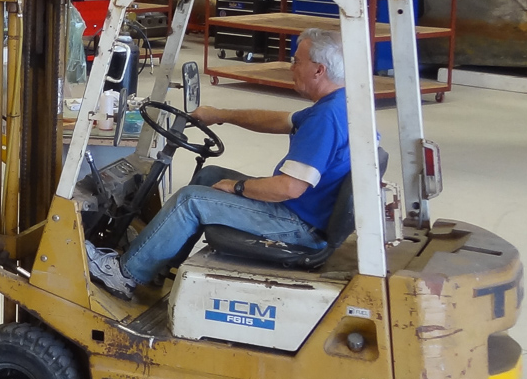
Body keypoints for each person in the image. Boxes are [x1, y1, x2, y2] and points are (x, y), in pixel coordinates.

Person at [85, 28, 352, 299]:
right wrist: (221, 114)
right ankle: (158, 265)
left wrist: (238, 187)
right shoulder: (337, 104)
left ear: (318, 70)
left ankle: (125, 274)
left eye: (297, 61)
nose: (291, 67)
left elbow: (289, 188)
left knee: (191, 200)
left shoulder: (325, 118)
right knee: (209, 175)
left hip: (298, 225)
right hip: (309, 212)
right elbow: (279, 121)